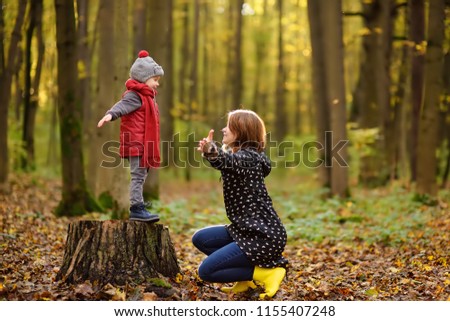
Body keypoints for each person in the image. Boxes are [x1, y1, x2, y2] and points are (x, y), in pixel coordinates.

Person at [193, 109, 288, 299]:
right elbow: (227, 162)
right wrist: (211, 152)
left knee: (206, 272)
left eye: (229, 126)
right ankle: (245, 281)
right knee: (202, 239)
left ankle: (266, 273)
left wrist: (212, 150)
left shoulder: (250, 158)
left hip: (262, 235)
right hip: (245, 230)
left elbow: (226, 160)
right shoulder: (243, 158)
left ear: (242, 130)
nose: (223, 129)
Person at [97, 50, 163, 222]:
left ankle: (138, 203)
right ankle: (136, 208)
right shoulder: (135, 96)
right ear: (143, 78)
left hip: (144, 144)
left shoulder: (148, 97)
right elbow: (122, 106)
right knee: (138, 176)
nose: (157, 84)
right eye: (155, 80)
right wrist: (110, 114)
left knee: (141, 175)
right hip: (136, 144)